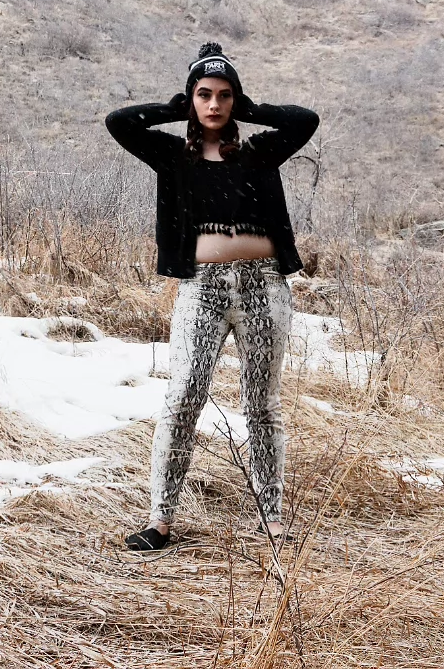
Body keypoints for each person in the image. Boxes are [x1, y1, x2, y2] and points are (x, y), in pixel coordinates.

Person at [105, 42, 319, 551]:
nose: (215, 104)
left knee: (262, 404)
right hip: (202, 288)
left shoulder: (259, 151)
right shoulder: (171, 155)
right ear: (192, 99)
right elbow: (120, 122)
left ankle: (271, 518)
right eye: (204, 95)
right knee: (184, 396)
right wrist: (176, 108)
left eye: (225, 95)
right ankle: (160, 521)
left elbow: (304, 120)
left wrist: (250, 107)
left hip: (263, 287)